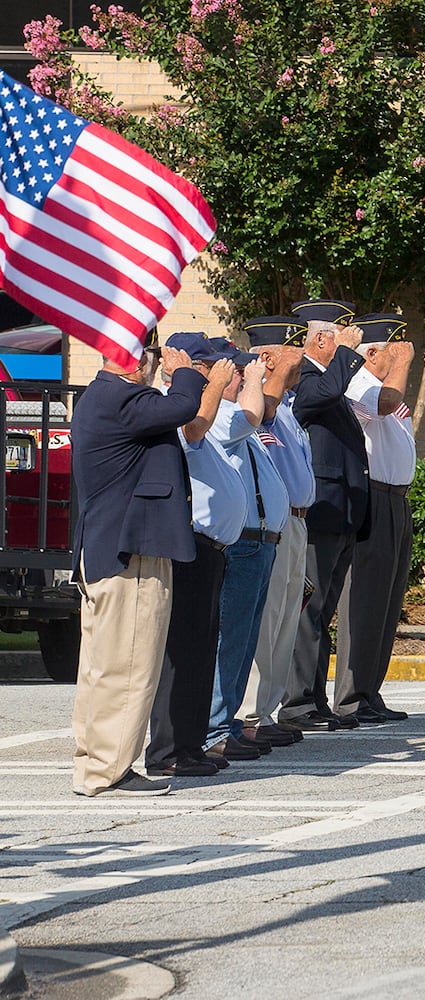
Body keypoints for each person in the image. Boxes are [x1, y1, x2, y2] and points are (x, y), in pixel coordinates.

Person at [69, 334, 207, 796]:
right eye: (150, 357)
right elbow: (183, 406)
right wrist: (185, 371)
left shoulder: (101, 397)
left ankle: (95, 763)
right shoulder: (122, 398)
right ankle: (109, 769)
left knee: (101, 666)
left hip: (111, 548)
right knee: (127, 664)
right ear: (137, 363)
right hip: (130, 554)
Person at [144, 342, 239, 779]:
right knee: (180, 654)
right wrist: (212, 387)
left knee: (202, 654)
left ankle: (191, 743)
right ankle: (167, 750)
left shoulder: (204, 412)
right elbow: (190, 433)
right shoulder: (172, 409)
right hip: (191, 549)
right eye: (210, 366)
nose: (220, 372)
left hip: (213, 552)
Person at [280, 299, 372, 732]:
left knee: (321, 612)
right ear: (322, 339)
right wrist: (349, 357)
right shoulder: (309, 380)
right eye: (341, 334)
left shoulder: (328, 380)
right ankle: (298, 703)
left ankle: (314, 700)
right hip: (321, 514)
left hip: (340, 514)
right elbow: (321, 395)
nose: (352, 340)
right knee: (309, 611)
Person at [199, 337, 291, 761]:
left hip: (261, 542)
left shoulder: (236, 417)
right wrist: (256, 377)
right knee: (230, 640)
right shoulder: (221, 415)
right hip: (244, 544)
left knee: (246, 639)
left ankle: (227, 722)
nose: (243, 376)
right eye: (238, 371)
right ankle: (215, 726)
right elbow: (254, 412)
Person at [334, 313, 416, 723]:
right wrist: (400, 366)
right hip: (374, 496)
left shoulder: (385, 385)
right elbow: (384, 408)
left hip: (397, 498)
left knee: (386, 602)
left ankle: (370, 690)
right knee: (365, 599)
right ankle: (351, 695)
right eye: (392, 349)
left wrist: (398, 367)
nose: (400, 355)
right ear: (372, 352)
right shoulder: (360, 385)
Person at [238, 316, 315, 744]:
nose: (302, 358)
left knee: (286, 620)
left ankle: (267, 713)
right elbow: (256, 414)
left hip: (297, 523)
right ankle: (248, 717)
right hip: (274, 527)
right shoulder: (263, 405)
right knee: (266, 621)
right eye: (294, 350)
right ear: (267, 356)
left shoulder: (286, 407)